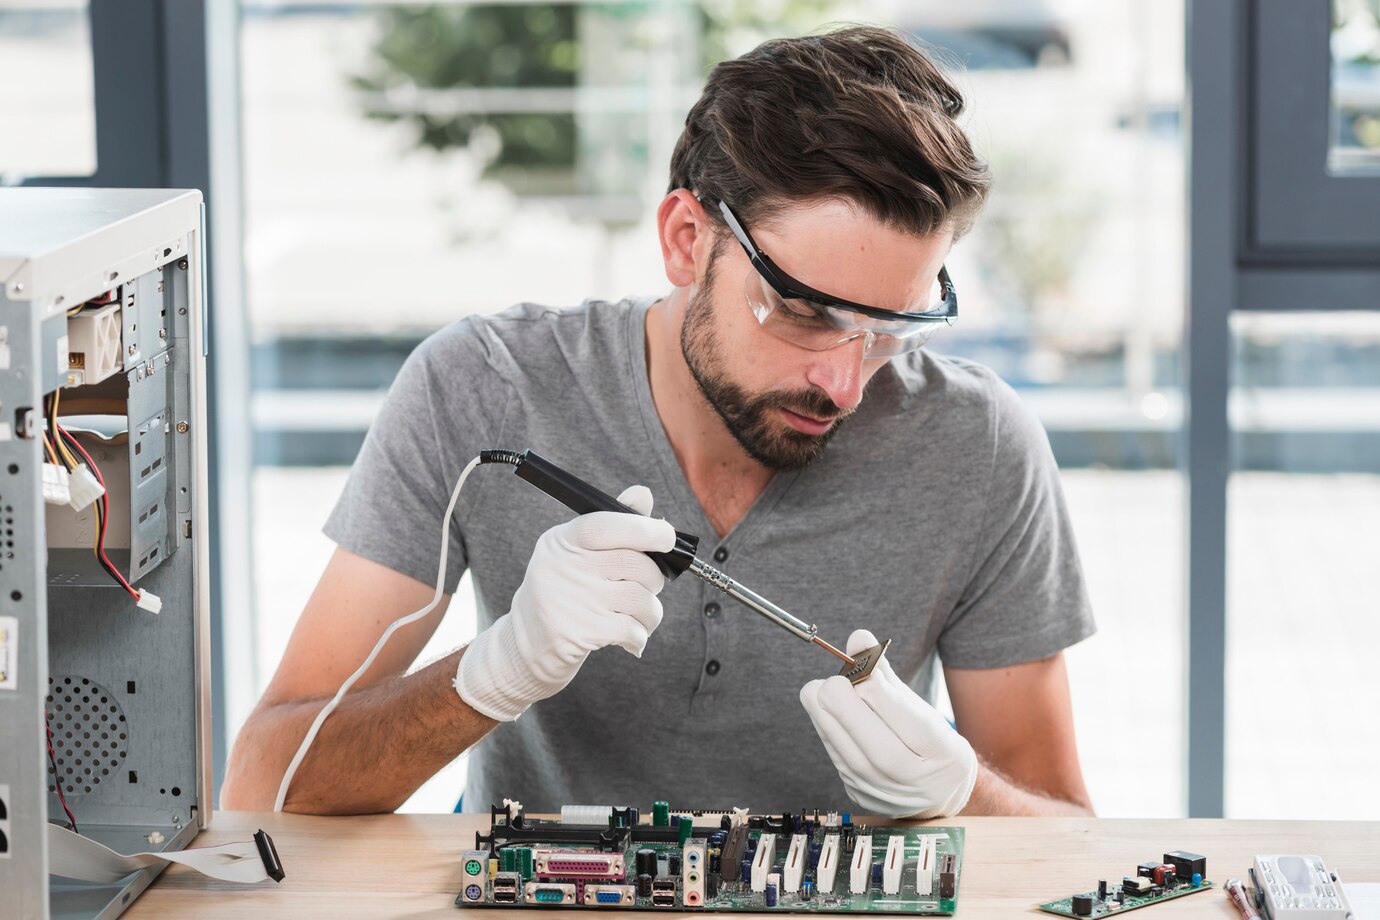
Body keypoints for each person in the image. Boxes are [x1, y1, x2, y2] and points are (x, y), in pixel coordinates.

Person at [221, 25, 1096, 818]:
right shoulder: (483, 390)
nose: (845, 384)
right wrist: (493, 673)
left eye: (889, 330)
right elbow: (264, 783)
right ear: (686, 240)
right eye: (804, 312)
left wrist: (963, 793)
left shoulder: (977, 445)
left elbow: (1069, 838)